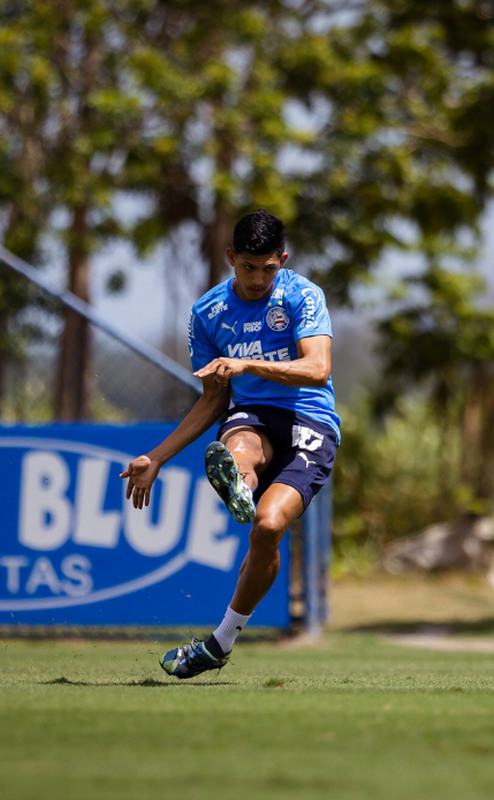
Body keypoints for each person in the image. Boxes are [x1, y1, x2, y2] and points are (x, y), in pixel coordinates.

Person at [119, 209, 340, 679]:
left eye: (268, 268)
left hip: (309, 420)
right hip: (251, 417)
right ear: (229, 258)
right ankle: (238, 478)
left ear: (282, 259)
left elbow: (317, 368)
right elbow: (212, 403)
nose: (258, 278)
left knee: (268, 525)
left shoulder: (303, 295)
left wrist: (246, 364)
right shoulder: (208, 313)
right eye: (247, 267)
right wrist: (156, 458)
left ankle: (220, 642)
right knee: (240, 445)